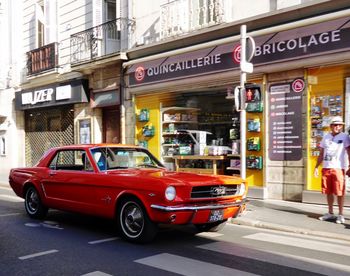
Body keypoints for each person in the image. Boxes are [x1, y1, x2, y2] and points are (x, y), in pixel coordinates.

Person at [314, 116, 350, 224]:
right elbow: (321, 153)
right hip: (326, 167)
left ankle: (340, 214)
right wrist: (316, 167)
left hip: (339, 168)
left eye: (339, 125)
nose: (337, 127)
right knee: (328, 191)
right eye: (335, 125)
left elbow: (349, 152)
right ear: (331, 126)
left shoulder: (345, 136)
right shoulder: (326, 137)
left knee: (340, 192)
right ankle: (330, 213)